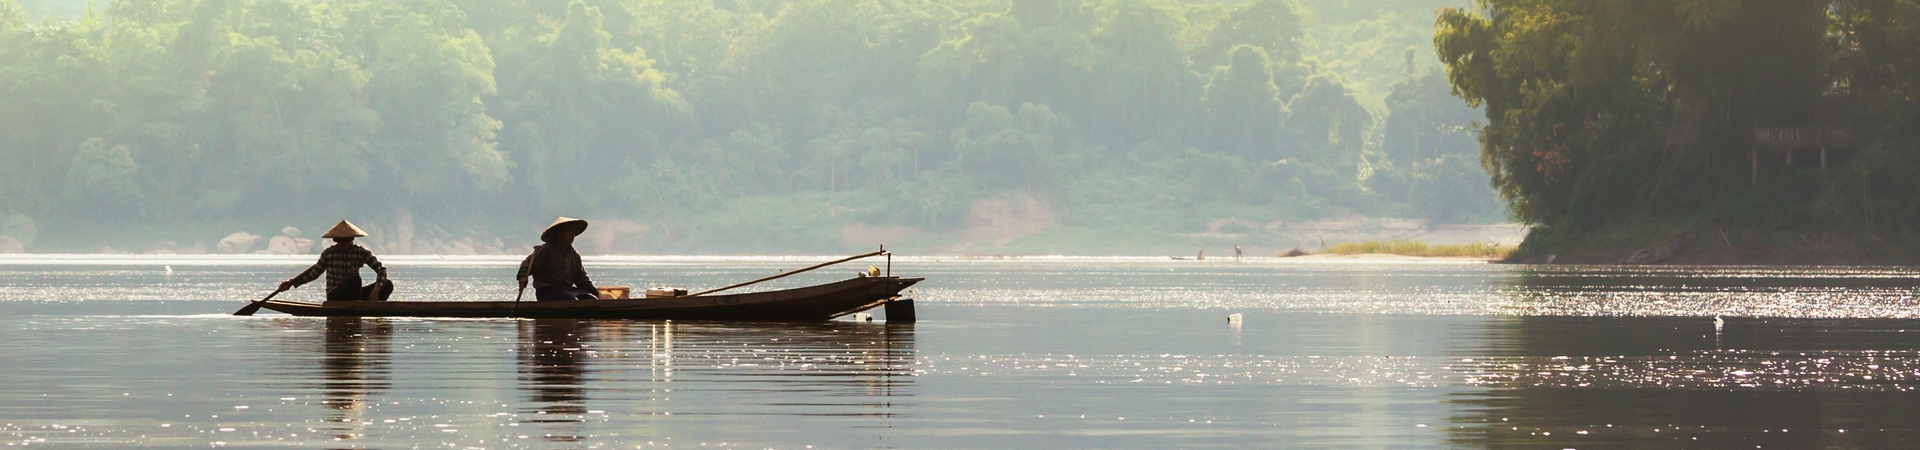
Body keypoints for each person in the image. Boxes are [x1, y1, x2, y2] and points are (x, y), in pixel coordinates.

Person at [280, 220, 392, 301]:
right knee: (355, 280)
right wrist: (291, 283)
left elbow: (381, 270)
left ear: (352, 239)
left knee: (387, 284)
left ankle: (369, 309)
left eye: (346, 241)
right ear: (336, 240)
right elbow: (313, 274)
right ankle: (354, 307)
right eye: (341, 241)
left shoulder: (361, 252)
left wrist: (375, 291)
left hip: (354, 295)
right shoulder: (329, 254)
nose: (344, 244)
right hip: (335, 295)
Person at [517, 217, 599, 301]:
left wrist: (596, 292)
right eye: (569, 231)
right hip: (547, 291)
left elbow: (582, 280)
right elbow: (527, 263)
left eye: (573, 231)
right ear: (559, 233)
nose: (572, 234)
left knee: (592, 299)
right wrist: (523, 276)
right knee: (572, 301)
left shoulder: (574, 256)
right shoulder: (546, 250)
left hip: (567, 290)